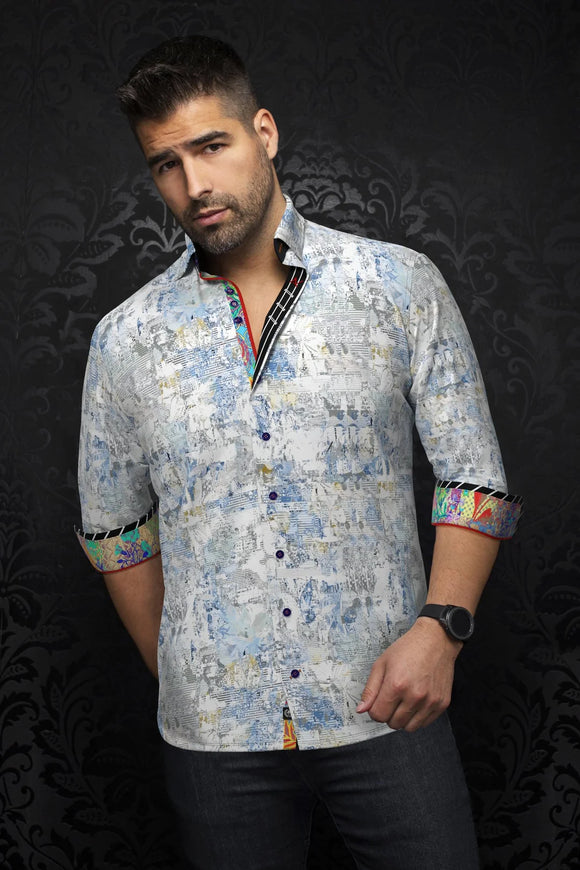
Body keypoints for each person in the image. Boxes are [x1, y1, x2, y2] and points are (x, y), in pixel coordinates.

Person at [76, 35, 522, 870]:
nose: (194, 185)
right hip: (214, 740)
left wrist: (443, 630)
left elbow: (474, 482)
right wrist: (190, 668)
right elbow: (116, 534)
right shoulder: (124, 339)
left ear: (265, 133)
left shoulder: (397, 284)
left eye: (212, 146)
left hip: (387, 709)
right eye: (166, 164)